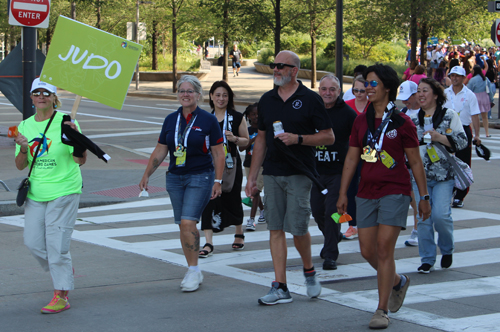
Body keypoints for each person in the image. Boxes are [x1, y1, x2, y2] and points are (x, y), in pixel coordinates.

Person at [336, 64, 431, 329]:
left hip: (395, 190)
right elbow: (352, 158)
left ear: (387, 87)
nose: (368, 87)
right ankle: (398, 281)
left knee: (383, 248)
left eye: (373, 83)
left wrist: (423, 196)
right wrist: (343, 193)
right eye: (366, 83)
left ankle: (381, 309)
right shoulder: (361, 120)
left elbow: (415, 162)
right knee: (367, 250)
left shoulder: (402, 122)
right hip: (365, 192)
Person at [245, 50, 334, 305]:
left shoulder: (310, 99)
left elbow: (329, 136)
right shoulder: (267, 100)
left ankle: (308, 272)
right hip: (272, 173)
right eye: (274, 65)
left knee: (297, 229)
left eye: (280, 66)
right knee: (274, 228)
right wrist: (252, 177)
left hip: (300, 173)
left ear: (294, 71)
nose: (275, 70)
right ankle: (280, 286)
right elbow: (260, 139)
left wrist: (299, 139)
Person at [139, 75, 224, 292]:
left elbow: (218, 153)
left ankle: (194, 270)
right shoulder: (171, 120)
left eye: (189, 91)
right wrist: (147, 173)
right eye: (181, 91)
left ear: (198, 94)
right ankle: (192, 268)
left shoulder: (207, 120)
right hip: (175, 177)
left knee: (188, 222)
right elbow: (161, 149)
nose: (185, 94)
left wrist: (218, 180)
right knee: (183, 224)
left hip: (201, 175)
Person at [13, 78, 87, 314]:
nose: (41, 96)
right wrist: (23, 148)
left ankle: (61, 294)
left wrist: (76, 140)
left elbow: (80, 160)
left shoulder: (68, 122)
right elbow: (19, 166)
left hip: (64, 189)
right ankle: (61, 268)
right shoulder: (24, 125)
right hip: (36, 191)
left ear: (54, 97)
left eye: (46, 93)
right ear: (32, 97)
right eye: (37, 93)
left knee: (56, 245)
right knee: (33, 242)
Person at [411, 78, 467, 273]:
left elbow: (462, 142)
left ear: (436, 94)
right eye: (418, 91)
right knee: (424, 219)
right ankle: (427, 259)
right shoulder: (412, 119)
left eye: (425, 90)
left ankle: (447, 249)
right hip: (420, 178)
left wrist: (439, 137)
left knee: (441, 216)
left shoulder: (449, 116)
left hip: (444, 176)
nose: (421, 94)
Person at [312, 74, 357, 270]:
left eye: (332, 89)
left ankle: (330, 254)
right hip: (316, 172)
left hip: (338, 172)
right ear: (319, 90)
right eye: (324, 89)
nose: (327, 93)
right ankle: (332, 237)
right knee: (317, 211)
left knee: (333, 212)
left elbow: (358, 141)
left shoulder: (348, 114)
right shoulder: (312, 109)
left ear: (339, 92)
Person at [200, 81, 249, 254]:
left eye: (225, 95)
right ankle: (208, 242)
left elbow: (246, 142)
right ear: (211, 97)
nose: (221, 98)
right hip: (210, 164)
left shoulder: (236, 117)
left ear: (229, 98)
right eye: (218, 95)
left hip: (231, 165)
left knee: (233, 196)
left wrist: (234, 138)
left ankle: (238, 232)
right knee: (208, 200)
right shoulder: (205, 119)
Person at [443, 66, 481, 209]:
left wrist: (477, 135)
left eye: (458, 76)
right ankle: (448, 191)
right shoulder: (445, 93)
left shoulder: (470, 95)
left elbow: (475, 115)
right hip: (447, 130)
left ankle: (460, 195)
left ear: (464, 78)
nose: (454, 78)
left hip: (463, 130)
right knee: (446, 162)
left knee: (463, 163)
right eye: (452, 75)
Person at [396, 80, 420, 247]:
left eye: (408, 97)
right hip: (406, 163)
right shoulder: (403, 112)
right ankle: (421, 226)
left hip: (422, 161)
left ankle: (419, 229)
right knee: (412, 197)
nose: (405, 101)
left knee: (419, 197)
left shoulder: (425, 113)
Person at [240, 103, 265, 231]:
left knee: (255, 191)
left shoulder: (265, 130)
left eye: (258, 114)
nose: (256, 116)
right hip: (249, 164)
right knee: (255, 191)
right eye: (253, 114)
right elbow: (241, 147)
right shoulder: (248, 131)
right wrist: (254, 139)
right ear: (248, 116)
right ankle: (263, 209)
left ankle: (251, 220)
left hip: (262, 165)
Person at [468, 65, 494, 138]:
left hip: (475, 97)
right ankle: (487, 133)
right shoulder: (485, 79)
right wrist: (491, 100)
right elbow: (490, 91)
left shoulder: (472, 80)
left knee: (474, 116)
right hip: (485, 97)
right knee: (485, 117)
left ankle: (472, 133)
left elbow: (469, 89)